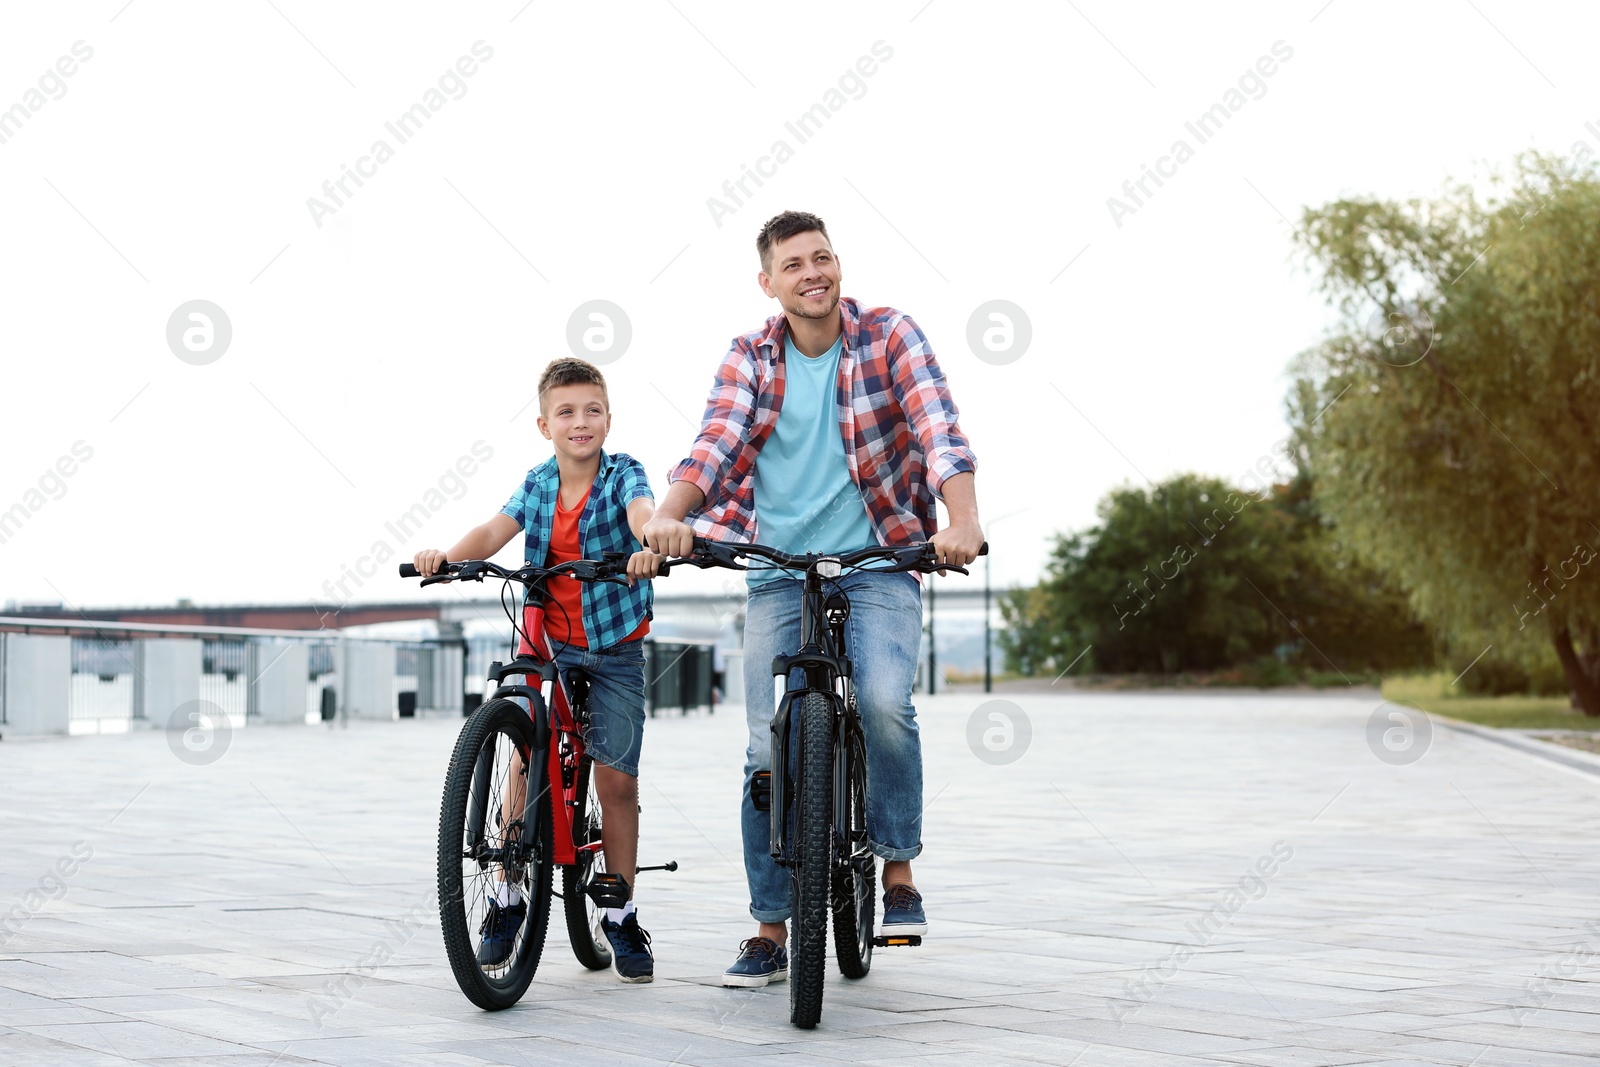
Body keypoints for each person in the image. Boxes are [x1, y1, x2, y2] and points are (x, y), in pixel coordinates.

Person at [642, 210, 983, 988]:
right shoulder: (750, 357)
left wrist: (961, 521)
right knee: (767, 744)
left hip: (879, 559)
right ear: (769, 283)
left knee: (888, 701)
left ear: (839, 266)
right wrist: (670, 515)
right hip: (775, 568)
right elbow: (716, 444)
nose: (812, 272)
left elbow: (939, 430)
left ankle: (898, 871)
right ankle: (769, 927)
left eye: (822, 258)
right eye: (793, 264)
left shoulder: (890, 336)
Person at [413, 357, 663, 983]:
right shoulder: (538, 482)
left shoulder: (622, 474)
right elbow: (494, 531)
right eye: (566, 413)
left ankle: (622, 909)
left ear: (609, 417)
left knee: (615, 778)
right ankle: (508, 892)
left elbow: (642, 514)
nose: (581, 423)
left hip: (613, 646)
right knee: (522, 754)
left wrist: (650, 546)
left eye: (592, 410)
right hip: (547, 634)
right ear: (544, 425)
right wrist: (447, 556)